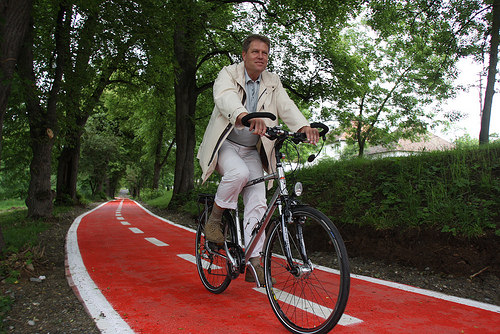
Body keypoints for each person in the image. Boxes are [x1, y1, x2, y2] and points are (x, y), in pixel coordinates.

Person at [197, 34, 319, 284]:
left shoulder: (272, 81)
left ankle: (254, 259)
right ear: (244, 55)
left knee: (258, 201)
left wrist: (303, 127)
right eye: (255, 52)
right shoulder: (228, 74)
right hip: (226, 145)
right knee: (238, 174)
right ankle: (215, 219)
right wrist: (246, 115)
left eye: (264, 52)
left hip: (253, 150)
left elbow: (286, 106)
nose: (260, 56)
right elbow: (225, 98)